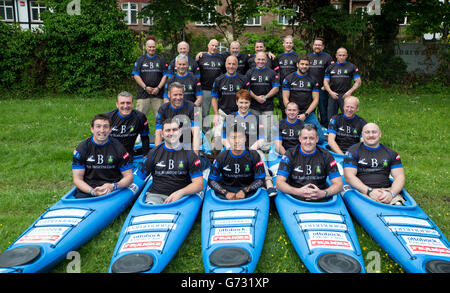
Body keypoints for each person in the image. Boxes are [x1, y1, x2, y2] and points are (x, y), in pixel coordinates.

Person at [221, 89, 277, 197]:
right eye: (241, 102)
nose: (243, 105)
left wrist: (251, 149)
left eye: (246, 102)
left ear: (250, 103)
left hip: (252, 149)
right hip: (233, 149)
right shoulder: (229, 118)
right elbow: (223, 138)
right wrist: (231, 147)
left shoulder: (256, 118)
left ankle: (269, 184)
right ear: (237, 102)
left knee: (260, 156)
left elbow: (261, 139)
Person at [135, 119, 204, 204]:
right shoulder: (153, 153)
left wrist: (180, 193)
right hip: (156, 196)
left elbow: (199, 184)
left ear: (180, 132)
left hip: (182, 197)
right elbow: (139, 177)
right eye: (168, 130)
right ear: (162, 134)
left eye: (174, 130)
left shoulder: (190, 154)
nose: (171, 133)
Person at [72, 114, 133, 198]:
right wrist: (92, 191)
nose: (102, 130)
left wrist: (113, 186)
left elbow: (129, 177)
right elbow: (77, 178)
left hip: (112, 189)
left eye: (105, 127)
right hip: (89, 189)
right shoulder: (82, 148)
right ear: (92, 129)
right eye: (98, 126)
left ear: (110, 129)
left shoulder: (119, 148)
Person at [276, 124, 343, 201]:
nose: (308, 142)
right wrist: (298, 192)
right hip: (295, 197)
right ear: (300, 139)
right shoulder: (290, 154)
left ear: (317, 139)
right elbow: (279, 183)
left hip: (320, 195)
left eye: (311, 138)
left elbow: (339, 184)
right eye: (305, 138)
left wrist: (324, 193)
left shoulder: (327, 155)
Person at [343, 123, 405, 205]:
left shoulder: (392, 154)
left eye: (374, 132)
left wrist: (391, 193)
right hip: (361, 191)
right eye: (367, 132)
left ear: (380, 134)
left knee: (398, 204)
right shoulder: (352, 151)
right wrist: (369, 191)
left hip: (386, 191)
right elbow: (349, 177)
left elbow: (400, 177)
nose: (371, 135)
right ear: (362, 135)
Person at [208, 125, 266, 200]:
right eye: (233, 138)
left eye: (240, 137)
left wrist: (245, 191)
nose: (236, 141)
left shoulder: (254, 155)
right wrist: (225, 192)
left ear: (245, 138)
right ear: (228, 139)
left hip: (248, 189)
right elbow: (211, 180)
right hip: (227, 190)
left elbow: (261, 179)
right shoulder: (221, 156)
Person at [282, 54, 324, 144]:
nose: (304, 66)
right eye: (302, 64)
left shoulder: (313, 80)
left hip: (308, 114)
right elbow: (285, 98)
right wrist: (292, 113)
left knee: (320, 139)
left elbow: (316, 99)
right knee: (291, 140)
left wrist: (305, 114)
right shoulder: (288, 79)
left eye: (306, 64)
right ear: (297, 64)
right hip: (293, 114)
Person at [211, 55, 248, 150]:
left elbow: (246, 98)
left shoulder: (243, 79)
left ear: (237, 66)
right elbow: (214, 98)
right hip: (222, 112)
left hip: (238, 114)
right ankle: (215, 159)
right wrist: (216, 114)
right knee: (217, 141)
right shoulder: (218, 80)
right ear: (225, 64)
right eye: (229, 64)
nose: (231, 66)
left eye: (233, 64)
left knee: (237, 140)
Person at [155, 82, 200, 155]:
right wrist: (157, 154)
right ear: (169, 95)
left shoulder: (192, 107)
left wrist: (195, 154)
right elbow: (158, 133)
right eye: (175, 95)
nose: (178, 98)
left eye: (180, 94)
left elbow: (196, 132)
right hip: (170, 143)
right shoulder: (163, 109)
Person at [246, 51, 280, 145]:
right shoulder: (249, 73)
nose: (260, 61)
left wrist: (265, 97)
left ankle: (266, 150)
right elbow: (247, 88)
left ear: (266, 60)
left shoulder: (272, 73)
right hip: (254, 106)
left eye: (263, 59)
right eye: (259, 59)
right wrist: (256, 97)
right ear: (255, 60)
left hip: (267, 107)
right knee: (253, 130)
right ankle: (254, 149)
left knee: (267, 131)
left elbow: (276, 87)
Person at [105, 91, 150, 158]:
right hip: (109, 155)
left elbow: (145, 138)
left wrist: (145, 157)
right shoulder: (108, 118)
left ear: (132, 104)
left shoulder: (140, 117)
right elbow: (99, 139)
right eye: (122, 103)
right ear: (117, 104)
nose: (125, 106)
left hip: (128, 155)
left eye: (128, 103)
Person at [132, 39, 168, 120]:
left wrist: (158, 88)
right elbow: (136, 75)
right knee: (139, 117)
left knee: (160, 118)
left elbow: (165, 75)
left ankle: (160, 133)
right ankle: (139, 133)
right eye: (150, 47)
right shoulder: (140, 59)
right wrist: (145, 87)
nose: (152, 49)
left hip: (158, 93)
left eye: (153, 47)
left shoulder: (161, 59)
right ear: (146, 47)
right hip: (143, 93)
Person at [323, 47, 361, 121]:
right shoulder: (330, 67)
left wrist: (350, 92)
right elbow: (325, 82)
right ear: (336, 55)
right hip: (333, 95)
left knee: (348, 115)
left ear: (347, 56)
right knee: (331, 117)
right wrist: (330, 92)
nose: (341, 57)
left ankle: (347, 130)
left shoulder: (352, 67)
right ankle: (331, 131)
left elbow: (358, 81)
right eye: (340, 55)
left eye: (343, 55)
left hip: (345, 95)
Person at [197, 39, 226, 124]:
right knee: (205, 113)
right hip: (205, 89)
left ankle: (219, 133)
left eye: (216, 46)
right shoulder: (201, 57)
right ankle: (205, 134)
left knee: (219, 113)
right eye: (212, 45)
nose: (214, 47)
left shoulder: (221, 58)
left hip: (218, 90)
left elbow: (224, 72)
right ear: (208, 46)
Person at [308, 37, 334, 127]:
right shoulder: (308, 57)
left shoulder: (327, 57)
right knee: (310, 110)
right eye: (315, 45)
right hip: (310, 89)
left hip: (322, 89)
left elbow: (332, 72)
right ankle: (311, 127)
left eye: (319, 45)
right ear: (313, 46)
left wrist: (326, 85)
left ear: (323, 47)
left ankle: (324, 128)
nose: (317, 46)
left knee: (323, 110)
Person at [274, 35, 299, 118]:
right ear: (283, 44)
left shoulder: (297, 56)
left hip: (294, 87)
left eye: (290, 43)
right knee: (284, 109)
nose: (288, 44)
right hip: (282, 88)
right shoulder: (279, 57)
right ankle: (285, 128)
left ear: (293, 44)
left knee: (294, 109)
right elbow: (277, 72)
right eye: (287, 43)